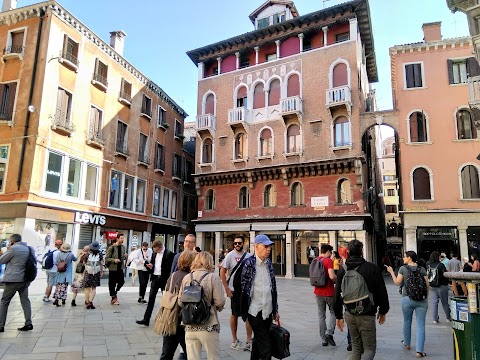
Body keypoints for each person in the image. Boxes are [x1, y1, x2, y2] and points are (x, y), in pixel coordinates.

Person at [334, 239, 389, 359]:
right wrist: (383, 310)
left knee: (356, 347)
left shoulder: (342, 269)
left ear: (348, 252)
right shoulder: (372, 268)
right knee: (369, 349)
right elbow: (381, 292)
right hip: (367, 313)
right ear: (361, 251)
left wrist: (338, 316)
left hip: (350, 312)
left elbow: (337, 293)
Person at [178, 251, 226, 360]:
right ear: (209, 262)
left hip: (189, 326)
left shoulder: (187, 278)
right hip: (208, 325)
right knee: (213, 357)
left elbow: (180, 301)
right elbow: (219, 302)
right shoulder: (213, 277)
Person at [240, 234, 280, 360]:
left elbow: (273, 287)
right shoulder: (248, 264)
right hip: (254, 310)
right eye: (266, 246)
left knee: (258, 341)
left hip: (267, 310)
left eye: (270, 247)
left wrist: (275, 309)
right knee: (266, 347)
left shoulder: (269, 264)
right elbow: (243, 288)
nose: (269, 249)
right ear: (256, 247)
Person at [387, 251, 429, 358]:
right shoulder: (422, 269)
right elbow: (427, 285)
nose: (403, 258)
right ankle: (419, 351)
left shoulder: (403, 268)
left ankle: (407, 343)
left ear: (409, 258)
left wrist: (391, 272)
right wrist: (426, 298)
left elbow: (397, 282)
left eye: (405, 256)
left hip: (407, 299)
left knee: (407, 321)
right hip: (421, 300)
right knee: (421, 325)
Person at [160, 250, 197, 360]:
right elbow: (191, 299)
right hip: (183, 318)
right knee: (189, 352)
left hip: (170, 316)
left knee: (166, 353)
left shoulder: (173, 275)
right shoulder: (190, 278)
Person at [220, 235, 253, 351]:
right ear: (233, 244)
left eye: (239, 243)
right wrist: (226, 289)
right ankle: (234, 340)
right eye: (235, 243)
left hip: (247, 291)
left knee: (248, 315)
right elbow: (222, 271)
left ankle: (249, 341)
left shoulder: (249, 256)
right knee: (234, 314)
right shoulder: (229, 256)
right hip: (234, 290)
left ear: (243, 243)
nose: (237, 245)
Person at [136, 240, 175, 326]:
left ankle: (167, 320)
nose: (155, 251)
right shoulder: (154, 254)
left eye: (157, 250)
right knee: (151, 299)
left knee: (166, 300)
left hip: (164, 280)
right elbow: (154, 264)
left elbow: (171, 268)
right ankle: (146, 319)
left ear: (161, 247)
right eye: (154, 250)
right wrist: (151, 266)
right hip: (155, 278)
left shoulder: (169, 254)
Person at [0, 234, 34, 332]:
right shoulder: (29, 248)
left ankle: (1, 325)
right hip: (25, 280)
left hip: (12, 279)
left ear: (12, 241)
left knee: (4, 302)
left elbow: (1, 260)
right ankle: (28, 323)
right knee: (25, 301)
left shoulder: (13, 249)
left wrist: (8, 248)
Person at [314, 244, 337, 347]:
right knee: (333, 312)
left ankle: (323, 340)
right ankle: (329, 333)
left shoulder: (315, 260)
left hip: (318, 292)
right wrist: (338, 280)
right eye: (330, 252)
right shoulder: (328, 261)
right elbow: (332, 276)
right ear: (328, 252)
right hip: (329, 292)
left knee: (321, 315)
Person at [426, 251, 451, 324]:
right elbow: (445, 274)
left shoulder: (428, 264)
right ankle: (448, 317)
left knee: (434, 302)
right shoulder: (441, 265)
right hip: (442, 285)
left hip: (432, 285)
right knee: (445, 302)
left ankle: (435, 318)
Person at [106, 233, 127, 305]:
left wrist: (124, 256)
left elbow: (122, 257)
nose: (122, 239)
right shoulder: (112, 247)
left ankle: (115, 292)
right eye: (121, 238)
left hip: (120, 268)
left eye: (123, 238)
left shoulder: (123, 247)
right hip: (113, 268)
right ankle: (113, 297)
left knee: (122, 281)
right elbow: (107, 258)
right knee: (112, 283)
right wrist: (114, 260)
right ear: (117, 239)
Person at [83, 241, 104, 309]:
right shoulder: (100, 253)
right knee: (94, 288)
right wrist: (101, 271)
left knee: (87, 287)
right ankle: (90, 302)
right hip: (96, 272)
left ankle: (87, 301)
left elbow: (84, 263)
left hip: (88, 272)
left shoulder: (87, 253)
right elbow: (101, 263)